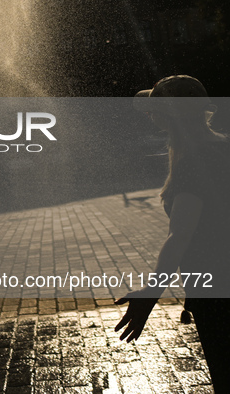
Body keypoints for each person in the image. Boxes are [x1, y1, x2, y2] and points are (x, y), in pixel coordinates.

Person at [114, 75, 230, 391]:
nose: (150, 115)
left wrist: (151, 293)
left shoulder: (194, 161)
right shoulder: (222, 147)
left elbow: (180, 235)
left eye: (157, 108)